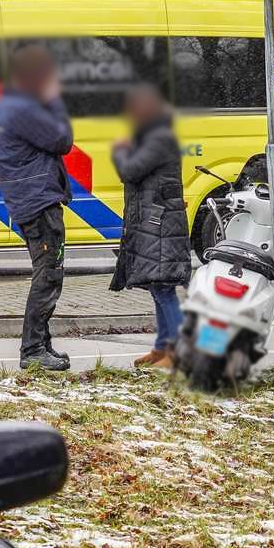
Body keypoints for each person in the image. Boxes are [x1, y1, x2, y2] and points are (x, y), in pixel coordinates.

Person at [0, 44, 73, 371]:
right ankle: (33, 349)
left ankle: (42, 344)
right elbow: (62, 139)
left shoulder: (12, 104)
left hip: (31, 198)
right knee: (49, 273)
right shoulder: (23, 108)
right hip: (38, 200)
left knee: (48, 271)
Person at [109, 83, 191, 368]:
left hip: (160, 225)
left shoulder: (159, 139)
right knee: (157, 286)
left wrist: (119, 152)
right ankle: (162, 348)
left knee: (163, 287)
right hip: (153, 223)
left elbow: (129, 171)